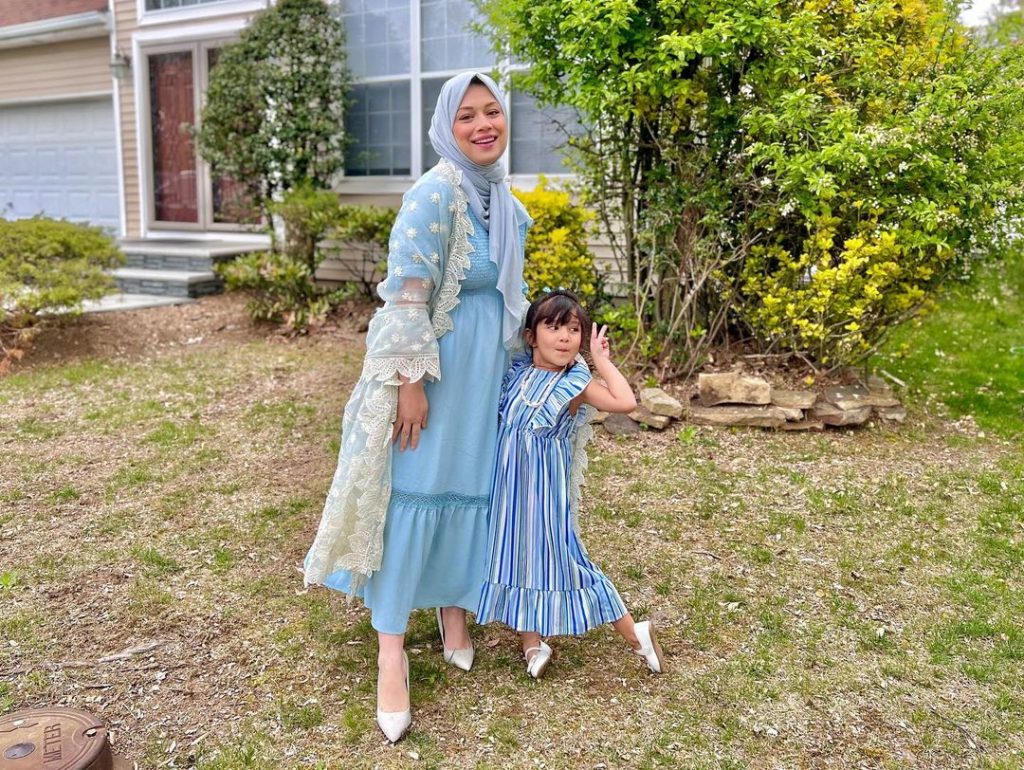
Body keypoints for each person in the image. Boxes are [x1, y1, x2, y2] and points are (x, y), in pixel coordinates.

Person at [303, 71, 531, 743]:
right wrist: (409, 383)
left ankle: (454, 610)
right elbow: (405, 296)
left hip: (484, 374)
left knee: (469, 488)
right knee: (417, 490)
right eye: (468, 116)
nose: (484, 124)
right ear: (445, 126)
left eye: (493, 111)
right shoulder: (433, 195)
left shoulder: (502, 198)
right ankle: (391, 653)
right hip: (435, 373)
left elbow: (511, 298)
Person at [475, 290, 666, 679]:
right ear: (532, 337)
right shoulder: (516, 375)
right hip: (508, 493)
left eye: (573, 329)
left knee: (567, 560)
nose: (564, 336)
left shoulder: (574, 386)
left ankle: (635, 633)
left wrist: (600, 361)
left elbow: (625, 401)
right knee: (517, 558)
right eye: (553, 326)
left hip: (544, 495)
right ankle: (531, 641)